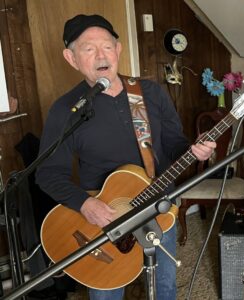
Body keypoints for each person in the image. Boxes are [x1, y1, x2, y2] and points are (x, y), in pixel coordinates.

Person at [36, 14, 215, 299]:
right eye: (88, 48)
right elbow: (47, 173)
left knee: (165, 288)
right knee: (107, 292)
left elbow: (174, 146)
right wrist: (85, 204)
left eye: (107, 46)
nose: (100, 55)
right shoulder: (66, 110)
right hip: (101, 221)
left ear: (118, 50)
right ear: (71, 58)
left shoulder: (150, 94)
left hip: (159, 208)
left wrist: (195, 151)